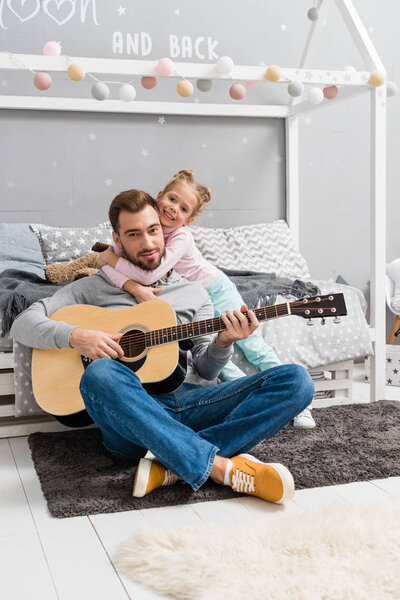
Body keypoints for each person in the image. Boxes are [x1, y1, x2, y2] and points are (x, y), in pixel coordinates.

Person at [10, 189, 314, 504]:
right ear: (117, 238)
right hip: (129, 423)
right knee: (101, 372)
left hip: (191, 403)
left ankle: (171, 463)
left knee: (296, 380)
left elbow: (207, 369)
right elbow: (24, 322)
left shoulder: (193, 293)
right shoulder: (91, 287)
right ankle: (219, 467)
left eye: (154, 230)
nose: (149, 243)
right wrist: (76, 336)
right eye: (134, 234)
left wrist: (224, 341)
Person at [97, 169, 316, 429]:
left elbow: (149, 273)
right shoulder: (147, 230)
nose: (174, 208)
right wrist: (120, 274)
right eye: (171, 199)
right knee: (219, 358)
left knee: (251, 343)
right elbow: (106, 267)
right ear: (159, 197)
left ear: (188, 220)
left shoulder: (180, 236)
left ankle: (301, 403)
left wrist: (112, 261)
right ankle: (245, 399)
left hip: (215, 289)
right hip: (189, 298)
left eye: (184, 208)